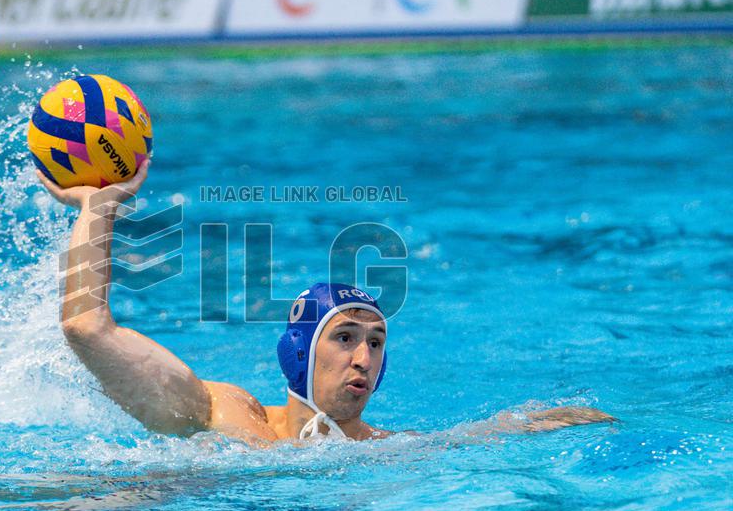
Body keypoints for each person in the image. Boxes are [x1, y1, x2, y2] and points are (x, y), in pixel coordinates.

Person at [37, 161, 615, 446]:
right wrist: (101, 206)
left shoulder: (385, 450)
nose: (364, 357)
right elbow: (87, 327)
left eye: (376, 341)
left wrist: (564, 419)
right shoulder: (223, 415)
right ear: (299, 352)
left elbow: (486, 434)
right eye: (344, 337)